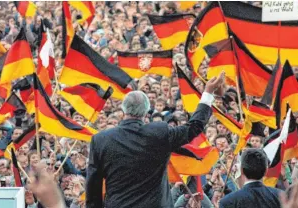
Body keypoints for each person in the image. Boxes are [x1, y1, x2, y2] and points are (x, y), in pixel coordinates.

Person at [86, 73, 226, 208]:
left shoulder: (101, 140)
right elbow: (193, 127)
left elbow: (93, 188)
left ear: (123, 109)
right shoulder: (159, 133)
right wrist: (207, 93)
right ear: (147, 111)